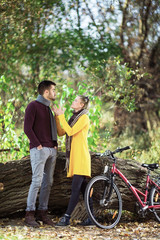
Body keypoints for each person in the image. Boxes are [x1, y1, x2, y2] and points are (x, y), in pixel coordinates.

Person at [53, 95, 93, 226]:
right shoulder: (73, 118)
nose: (73, 102)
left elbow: (70, 132)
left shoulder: (84, 118)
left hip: (81, 158)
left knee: (75, 189)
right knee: (84, 189)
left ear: (81, 105)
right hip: (74, 159)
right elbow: (61, 132)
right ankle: (92, 219)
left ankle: (66, 217)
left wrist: (62, 116)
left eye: (76, 100)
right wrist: (57, 116)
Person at [24, 80, 57, 227]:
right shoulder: (33, 106)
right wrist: (37, 144)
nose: (55, 93)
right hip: (39, 149)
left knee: (48, 182)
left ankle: (42, 212)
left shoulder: (49, 108)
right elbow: (27, 128)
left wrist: (55, 145)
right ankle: (29, 214)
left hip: (51, 150)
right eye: (53, 90)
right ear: (46, 92)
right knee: (36, 181)